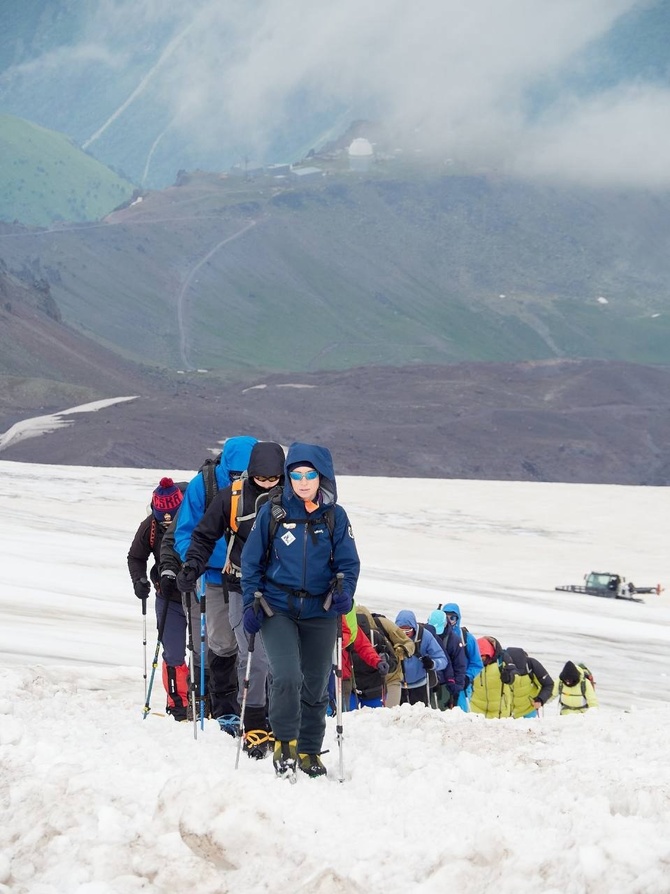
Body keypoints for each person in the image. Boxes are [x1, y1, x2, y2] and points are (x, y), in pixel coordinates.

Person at [241, 442, 361, 779]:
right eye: (296, 475)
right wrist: (252, 599)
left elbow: (349, 564)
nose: (303, 481)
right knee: (288, 676)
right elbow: (251, 562)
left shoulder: (335, 516)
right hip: (277, 607)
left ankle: (309, 749)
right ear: (289, 476)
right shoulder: (273, 511)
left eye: (310, 475)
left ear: (321, 476)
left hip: (320, 610)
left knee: (315, 683)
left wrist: (344, 592)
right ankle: (284, 743)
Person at [178, 441, 285, 757]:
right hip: (229, 581)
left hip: (277, 586)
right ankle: (240, 717)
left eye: (271, 478)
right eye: (258, 477)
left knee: (265, 654)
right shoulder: (216, 490)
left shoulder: (292, 494)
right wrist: (193, 565)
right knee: (234, 647)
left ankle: (270, 720)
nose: (264, 483)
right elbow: (195, 534)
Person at [175, 435, 257, 731]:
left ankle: (258, 711)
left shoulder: (266, 484)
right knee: (222, 643)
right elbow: (185, 533)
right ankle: (226, 710)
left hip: (255, 579)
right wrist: (194, 562)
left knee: (256, 646)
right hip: (213, 578)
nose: (241, 480)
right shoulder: (205, 486)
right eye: (236, 474)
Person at [127, 477, 188, 721]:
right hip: (168, 597)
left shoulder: (198, 517)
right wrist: (139, 581)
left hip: (200, 596)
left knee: (209, 651)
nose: (166, 520)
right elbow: (135, 556)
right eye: (161, 514)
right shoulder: (150, 526)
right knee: (173, 653)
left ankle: (209, 700)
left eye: (172, 514)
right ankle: (178, 704)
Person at [350, 605, 414, 708]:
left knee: (386, 716)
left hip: (391, 678)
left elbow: (408, 642)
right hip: (362, 683)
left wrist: (401, 650)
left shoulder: (383, 624)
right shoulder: (348, 632)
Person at [395, 609, 448, 706]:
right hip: (397, 687)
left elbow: (442, 659)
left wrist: (432, 664)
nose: (404, 634)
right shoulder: (391, 635)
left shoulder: (425, 636)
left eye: (407, 631)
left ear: (414, 628)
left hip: (419, 686)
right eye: (401, 630)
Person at [341, 608, 389, 710]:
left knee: (343, 717)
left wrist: (377, 661)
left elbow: (363, 646)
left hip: (342, 678)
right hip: (317, 676)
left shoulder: (348, 623)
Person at [440, 602, 483, 711]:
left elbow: (477, 663)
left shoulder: (467, 639)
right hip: (442, 683)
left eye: (452, 618)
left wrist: (467, 677)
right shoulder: (437, 634)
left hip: (461, 684)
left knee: (459, 715)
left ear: (458, 619)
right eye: (446, 617)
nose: (449, 621)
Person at [425, 609, 467, 709]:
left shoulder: (454, 640)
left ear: (445, 624)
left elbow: (459, 664)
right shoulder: (424, 634)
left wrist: (457, 686)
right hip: (425, 681)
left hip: (445, 684)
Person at [470, 636, 517, 719]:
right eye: (479, 656)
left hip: (500, 710)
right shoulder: (472, 664)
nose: (481, 659)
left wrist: (508, 677)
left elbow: (513, 678)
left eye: (483, 656)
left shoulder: (502, 661)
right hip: (476, 709)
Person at [505, 646, 554, 718]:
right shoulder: (500, 665)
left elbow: (548, 684)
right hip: (506, 713)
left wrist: (540, 699)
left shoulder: (532, 664)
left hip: (529, 710)